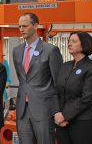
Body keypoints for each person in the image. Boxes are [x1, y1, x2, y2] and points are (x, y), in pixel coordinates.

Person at [13, 12, 62, 144]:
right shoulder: (16, 51)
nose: (21, 29)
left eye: (24, 26)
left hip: (44, 109)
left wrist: (58, 110)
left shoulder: (50, 50)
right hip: (23, 109)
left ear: (35, 26)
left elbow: (58, 82)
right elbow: (23, 79)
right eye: (19, 26)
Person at [54, 32, 92, 144]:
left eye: (74, 41)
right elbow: (57, 92)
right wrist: (57, 114)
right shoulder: (65, 66)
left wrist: (65, 115)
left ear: (84, 44)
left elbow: (87, 98)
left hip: (83, 122)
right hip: (62, 123)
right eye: (69, 41)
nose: (69, 44)